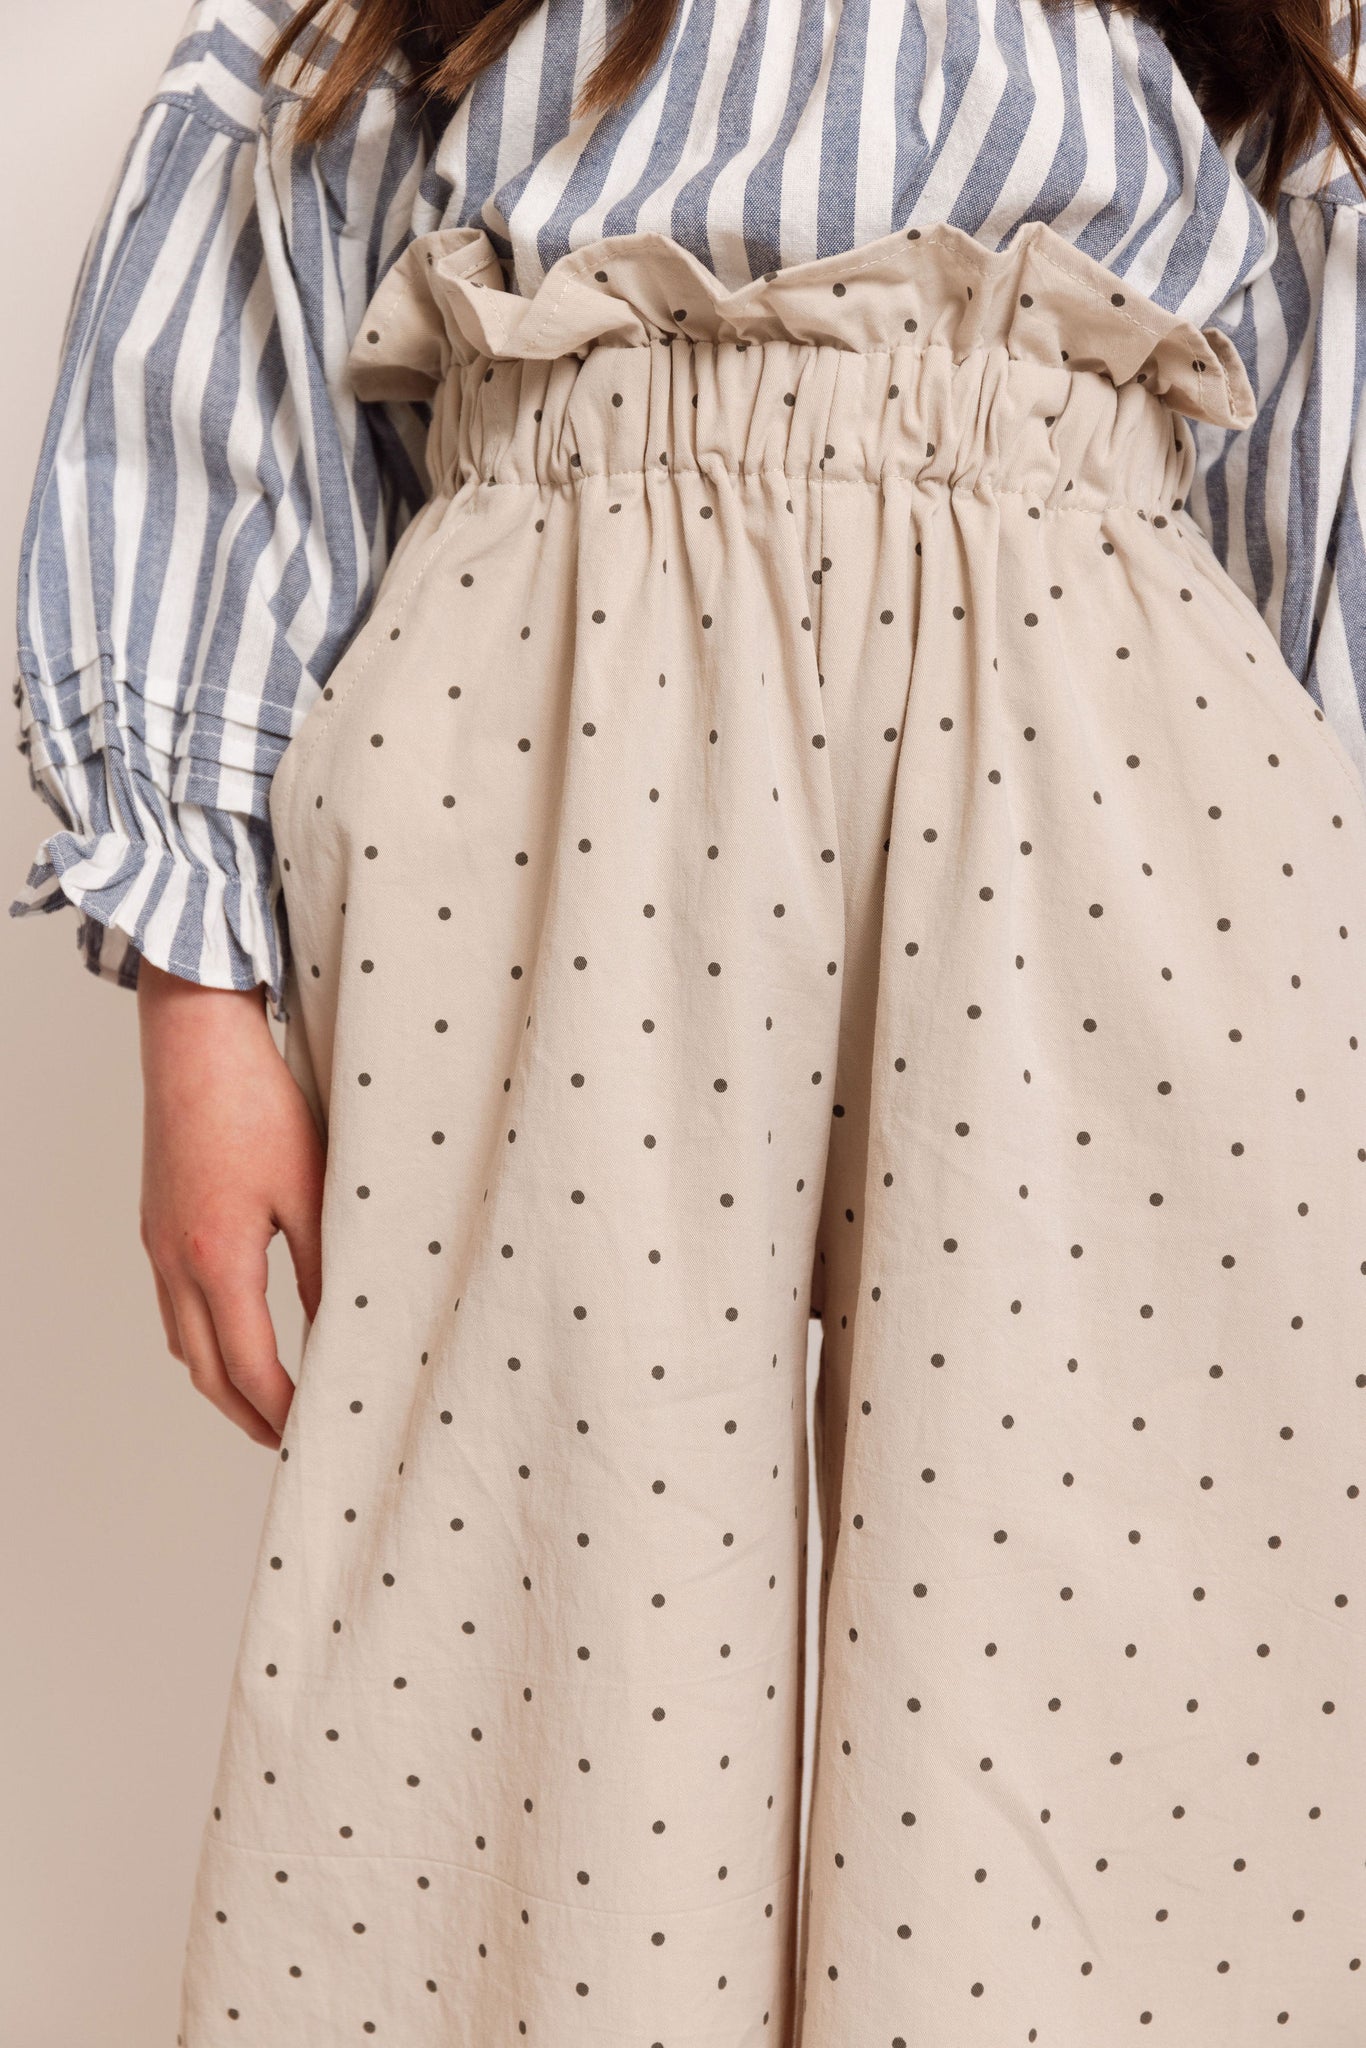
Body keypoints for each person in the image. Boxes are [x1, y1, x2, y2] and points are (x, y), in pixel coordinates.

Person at [12, 0, 1366, 2039]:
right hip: (568, 717)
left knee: (1096, 1645)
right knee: (525, 1632)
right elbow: (250, 278)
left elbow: (1315, 376)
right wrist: (195, 982)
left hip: (1104, 734)